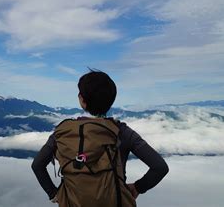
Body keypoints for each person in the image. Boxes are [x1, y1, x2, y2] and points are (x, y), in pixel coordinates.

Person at [32, 70, 169, 206]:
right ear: (111, 100)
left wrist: (54, 194)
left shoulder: (62, 132)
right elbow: (160, 167)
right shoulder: (121, 132)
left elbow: (37, 165)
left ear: (82, 100)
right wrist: (138, 187)